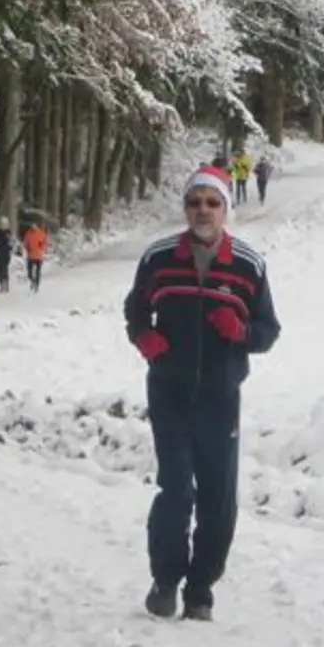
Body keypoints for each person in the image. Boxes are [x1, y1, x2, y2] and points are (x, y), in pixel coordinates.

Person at [123, 166, 280, 621]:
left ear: (225, 208)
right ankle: (165, 580)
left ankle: (200, 590)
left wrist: (242, 332)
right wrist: (144, 338)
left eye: (212, 203)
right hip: (169, 393)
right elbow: (135, 309)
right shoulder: (158, 258)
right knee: (175, 490)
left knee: (218, 498)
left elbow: (268, 330)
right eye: (195, 203)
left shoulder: (248, 264)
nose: (203, 211)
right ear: (185, 208)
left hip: (219, 398)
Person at [21, 221, 49, 294]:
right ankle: (33, 282)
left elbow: (45, 242)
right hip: (30, 256)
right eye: (32, 226)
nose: (33, 227)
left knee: (37, 272)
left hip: (39, 256)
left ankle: (36, 285)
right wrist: (27, 247)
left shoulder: (41, 233)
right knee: (29, 273)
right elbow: (25, 243)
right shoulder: (28, 234)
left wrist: (42, 247)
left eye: (34, 225)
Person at [0, 216, 14, 293]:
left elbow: (11, 243)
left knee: (4, 269)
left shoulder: (8, 232)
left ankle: (5, 284)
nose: (3, 225)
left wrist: (9, 246)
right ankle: (1, 284)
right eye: (2, 224)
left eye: (4, 224)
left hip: (6, 253)